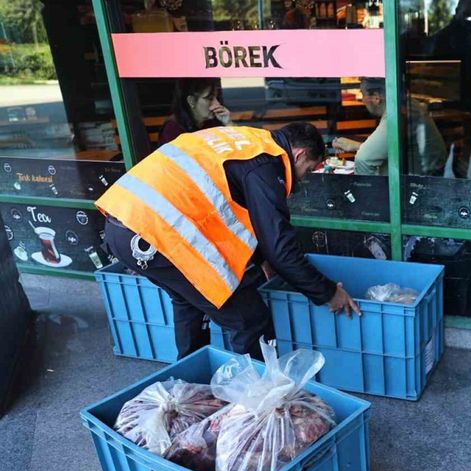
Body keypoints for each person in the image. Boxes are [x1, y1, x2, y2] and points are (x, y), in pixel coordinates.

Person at [97, 123, 361, 361]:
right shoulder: (266, 164)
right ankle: (263, 396)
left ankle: (190, 387)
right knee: (250, 319)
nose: (303, 178)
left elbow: (239, 214)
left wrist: (262, 258)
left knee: (190, 304)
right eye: (309, 170)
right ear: (299, 154)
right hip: (155, 235)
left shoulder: (247, 142)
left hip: (123, 223)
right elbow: (280, 248)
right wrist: (327, 292)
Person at [332, 78, 447, 176]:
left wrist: (365, 192)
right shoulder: (405, 105)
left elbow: (364, 159)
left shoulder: (396, 113)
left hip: (418, 183)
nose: (362, 100)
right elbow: (391, 147)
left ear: (376, 98)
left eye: (363, 94)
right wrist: (357, 146)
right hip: (426, 176)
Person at [432, 0, 471, 179]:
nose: (470, 18)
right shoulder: (446, 37)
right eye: (467, 14)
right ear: (457, 11)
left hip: (465, 104)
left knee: (461, 156)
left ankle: (455, 187)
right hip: (449, 105)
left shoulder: (470, 36)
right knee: (444, 155)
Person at [159, 78, 233, 146]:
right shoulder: (173, 129)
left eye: (217, 98)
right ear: (191, 101)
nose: (217, 104)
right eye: (209, 99)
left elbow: (235, 147)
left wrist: (228, 123)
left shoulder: (214, 122)